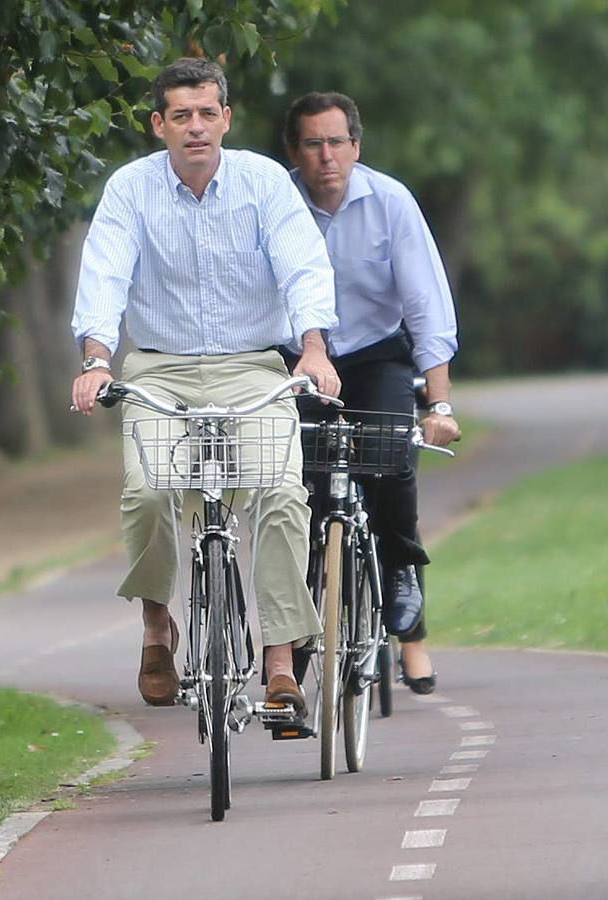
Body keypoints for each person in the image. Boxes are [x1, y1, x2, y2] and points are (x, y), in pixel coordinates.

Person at [71, 59, 341, 716]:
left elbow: (302, 265)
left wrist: (312, 348)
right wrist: (96, 357)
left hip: (252, 366)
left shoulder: (264, 184)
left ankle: (279, 661)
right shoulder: (131, 189)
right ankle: (158, 624)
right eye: (181, 116)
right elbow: (104, 275)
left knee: (279, 492)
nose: (196, 128)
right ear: (159, 124)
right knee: (145, 490)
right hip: (158, 368)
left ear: (226, 118)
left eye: (207, 113)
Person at [282, 92, 459, 694]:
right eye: (312, 143)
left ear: (356, 147)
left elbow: (426, 305)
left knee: (391, 461)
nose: (326, 156)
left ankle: (406, 596)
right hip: (297, 359)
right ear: (294, 152)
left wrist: (438, 404)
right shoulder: (274, 202)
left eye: (337, 142)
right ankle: (295, 639)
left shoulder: (390, 202)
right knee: (291, 490)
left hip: (375, 353)